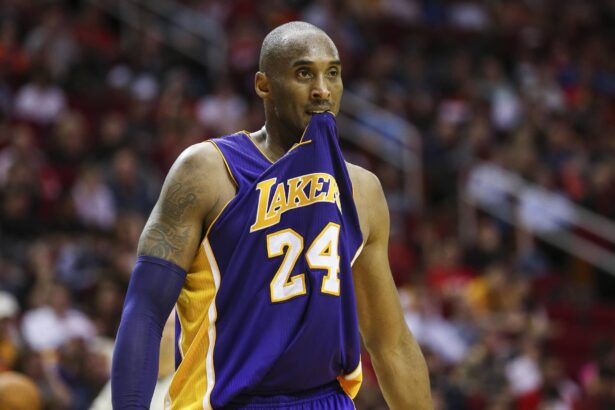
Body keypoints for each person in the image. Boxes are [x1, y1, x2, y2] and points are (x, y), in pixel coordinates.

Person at [111, 21, 432, 409]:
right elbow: (144, 313)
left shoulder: (362, 191)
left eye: (332, 73)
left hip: (326, 401)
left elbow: (390, 342)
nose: (322, 90)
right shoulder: (207, 171)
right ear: (264, 85)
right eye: (304, 74)